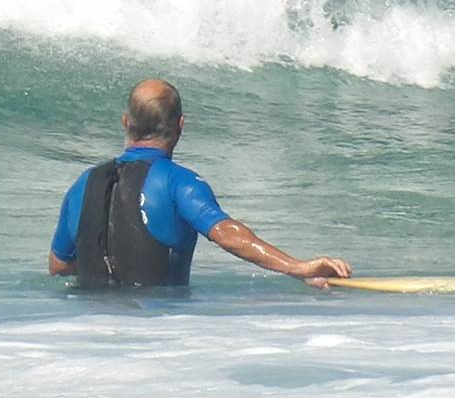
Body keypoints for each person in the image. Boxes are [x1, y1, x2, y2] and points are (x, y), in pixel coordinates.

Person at [49, 79, 351, 289]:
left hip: (92, 336)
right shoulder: (178, 182)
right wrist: (298, 268)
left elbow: (58, 266)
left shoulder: (83, 184)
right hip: (156, 333)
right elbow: (227, 235)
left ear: (126, 121)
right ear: (180, 125)